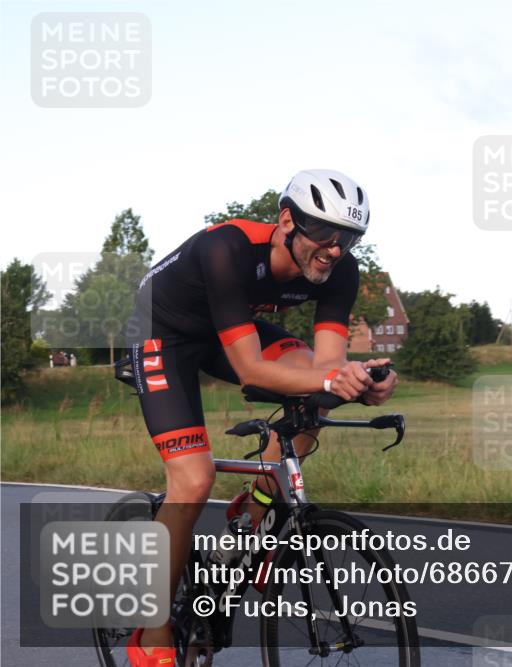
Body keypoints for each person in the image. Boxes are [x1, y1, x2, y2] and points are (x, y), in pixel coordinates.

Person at [122, 169, 398, 666]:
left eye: (349, 239)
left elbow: (326, 368)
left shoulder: (342, 270)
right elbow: (251, 370)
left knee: (321, 398)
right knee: (193, 478)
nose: (336, 250)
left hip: (229, 330)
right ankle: (153, 629)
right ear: (287, 221)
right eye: (325, 235)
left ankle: (251, 515)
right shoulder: (228, 248)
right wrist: (331, 380)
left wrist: (360, 382)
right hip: (162, 333)